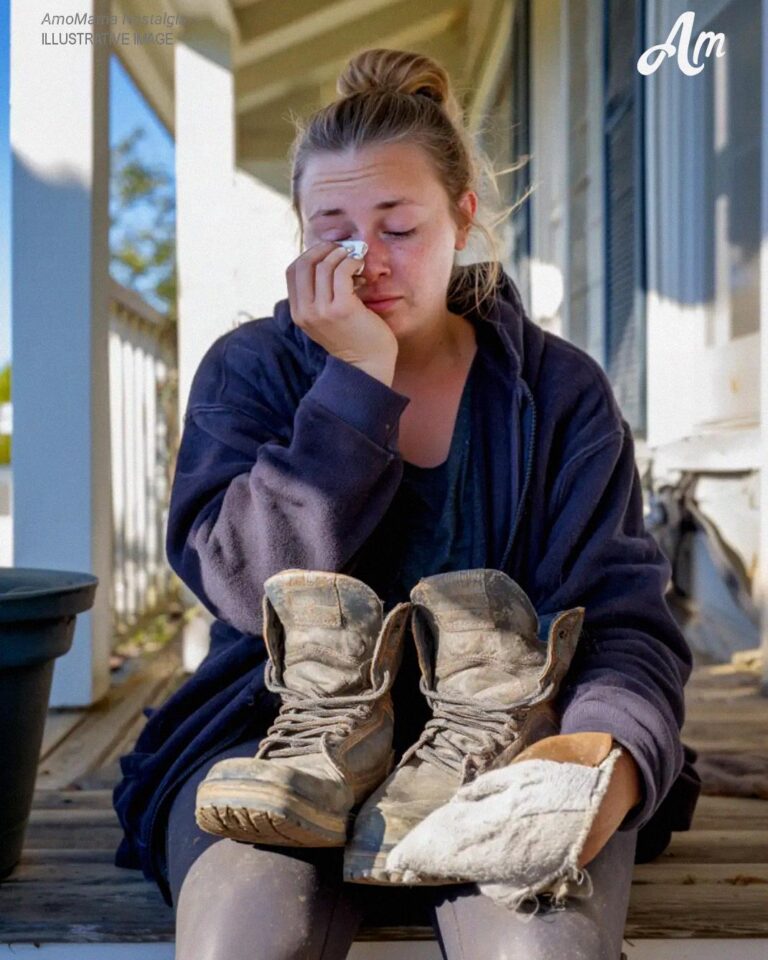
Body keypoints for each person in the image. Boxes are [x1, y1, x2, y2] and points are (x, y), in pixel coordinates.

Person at [113, 48, 701, 960]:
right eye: (333, 229)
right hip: (277, 750)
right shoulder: (253, 371)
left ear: (463, 217)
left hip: (510, 745)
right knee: (244, 937)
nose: (365, 263)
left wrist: (600, 766)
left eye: (398, 227)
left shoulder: (559, 391)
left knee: (539, 950)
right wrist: (355, 381)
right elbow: (238, 586)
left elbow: (628, 623)